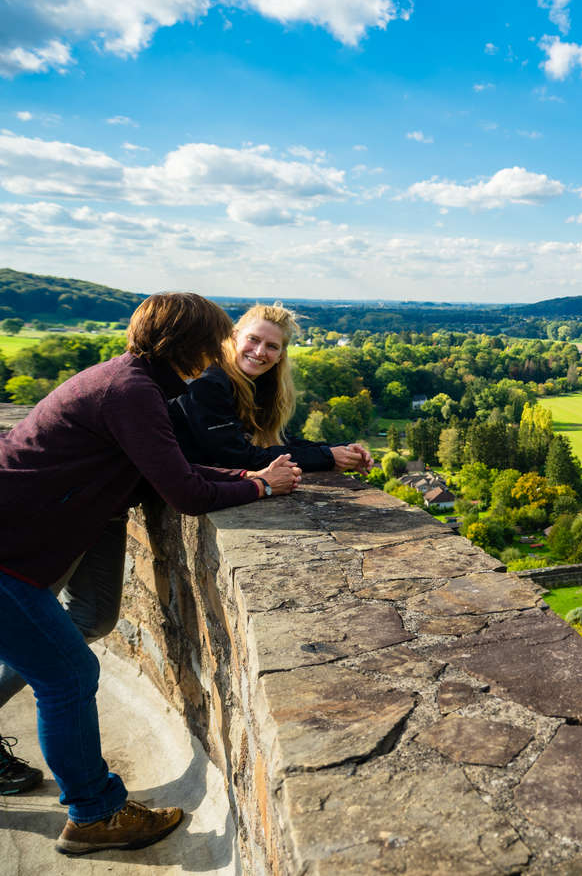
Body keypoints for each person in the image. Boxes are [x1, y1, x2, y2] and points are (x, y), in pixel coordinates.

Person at [0, 293, 301, 855]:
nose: (219, 352)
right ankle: (95, 816)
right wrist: (260, 486)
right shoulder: (131, 392)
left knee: (70, 644)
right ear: (187, 344)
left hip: (16, 543)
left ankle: (93, 809)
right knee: (67, 676)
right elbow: (185, 492)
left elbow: (170, 466)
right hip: (7, 553)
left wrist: (249, 471)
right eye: (213, 341)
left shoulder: (134, 384)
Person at [170, 303, 371, 475]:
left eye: (272, 346)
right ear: (234, 337)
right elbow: (236, 456)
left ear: (281, 355)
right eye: (253, 339)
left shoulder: (256, 384)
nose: (259, 352)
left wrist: (339, 451)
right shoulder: (207, 382)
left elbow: (279, 441)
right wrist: (327, 457)